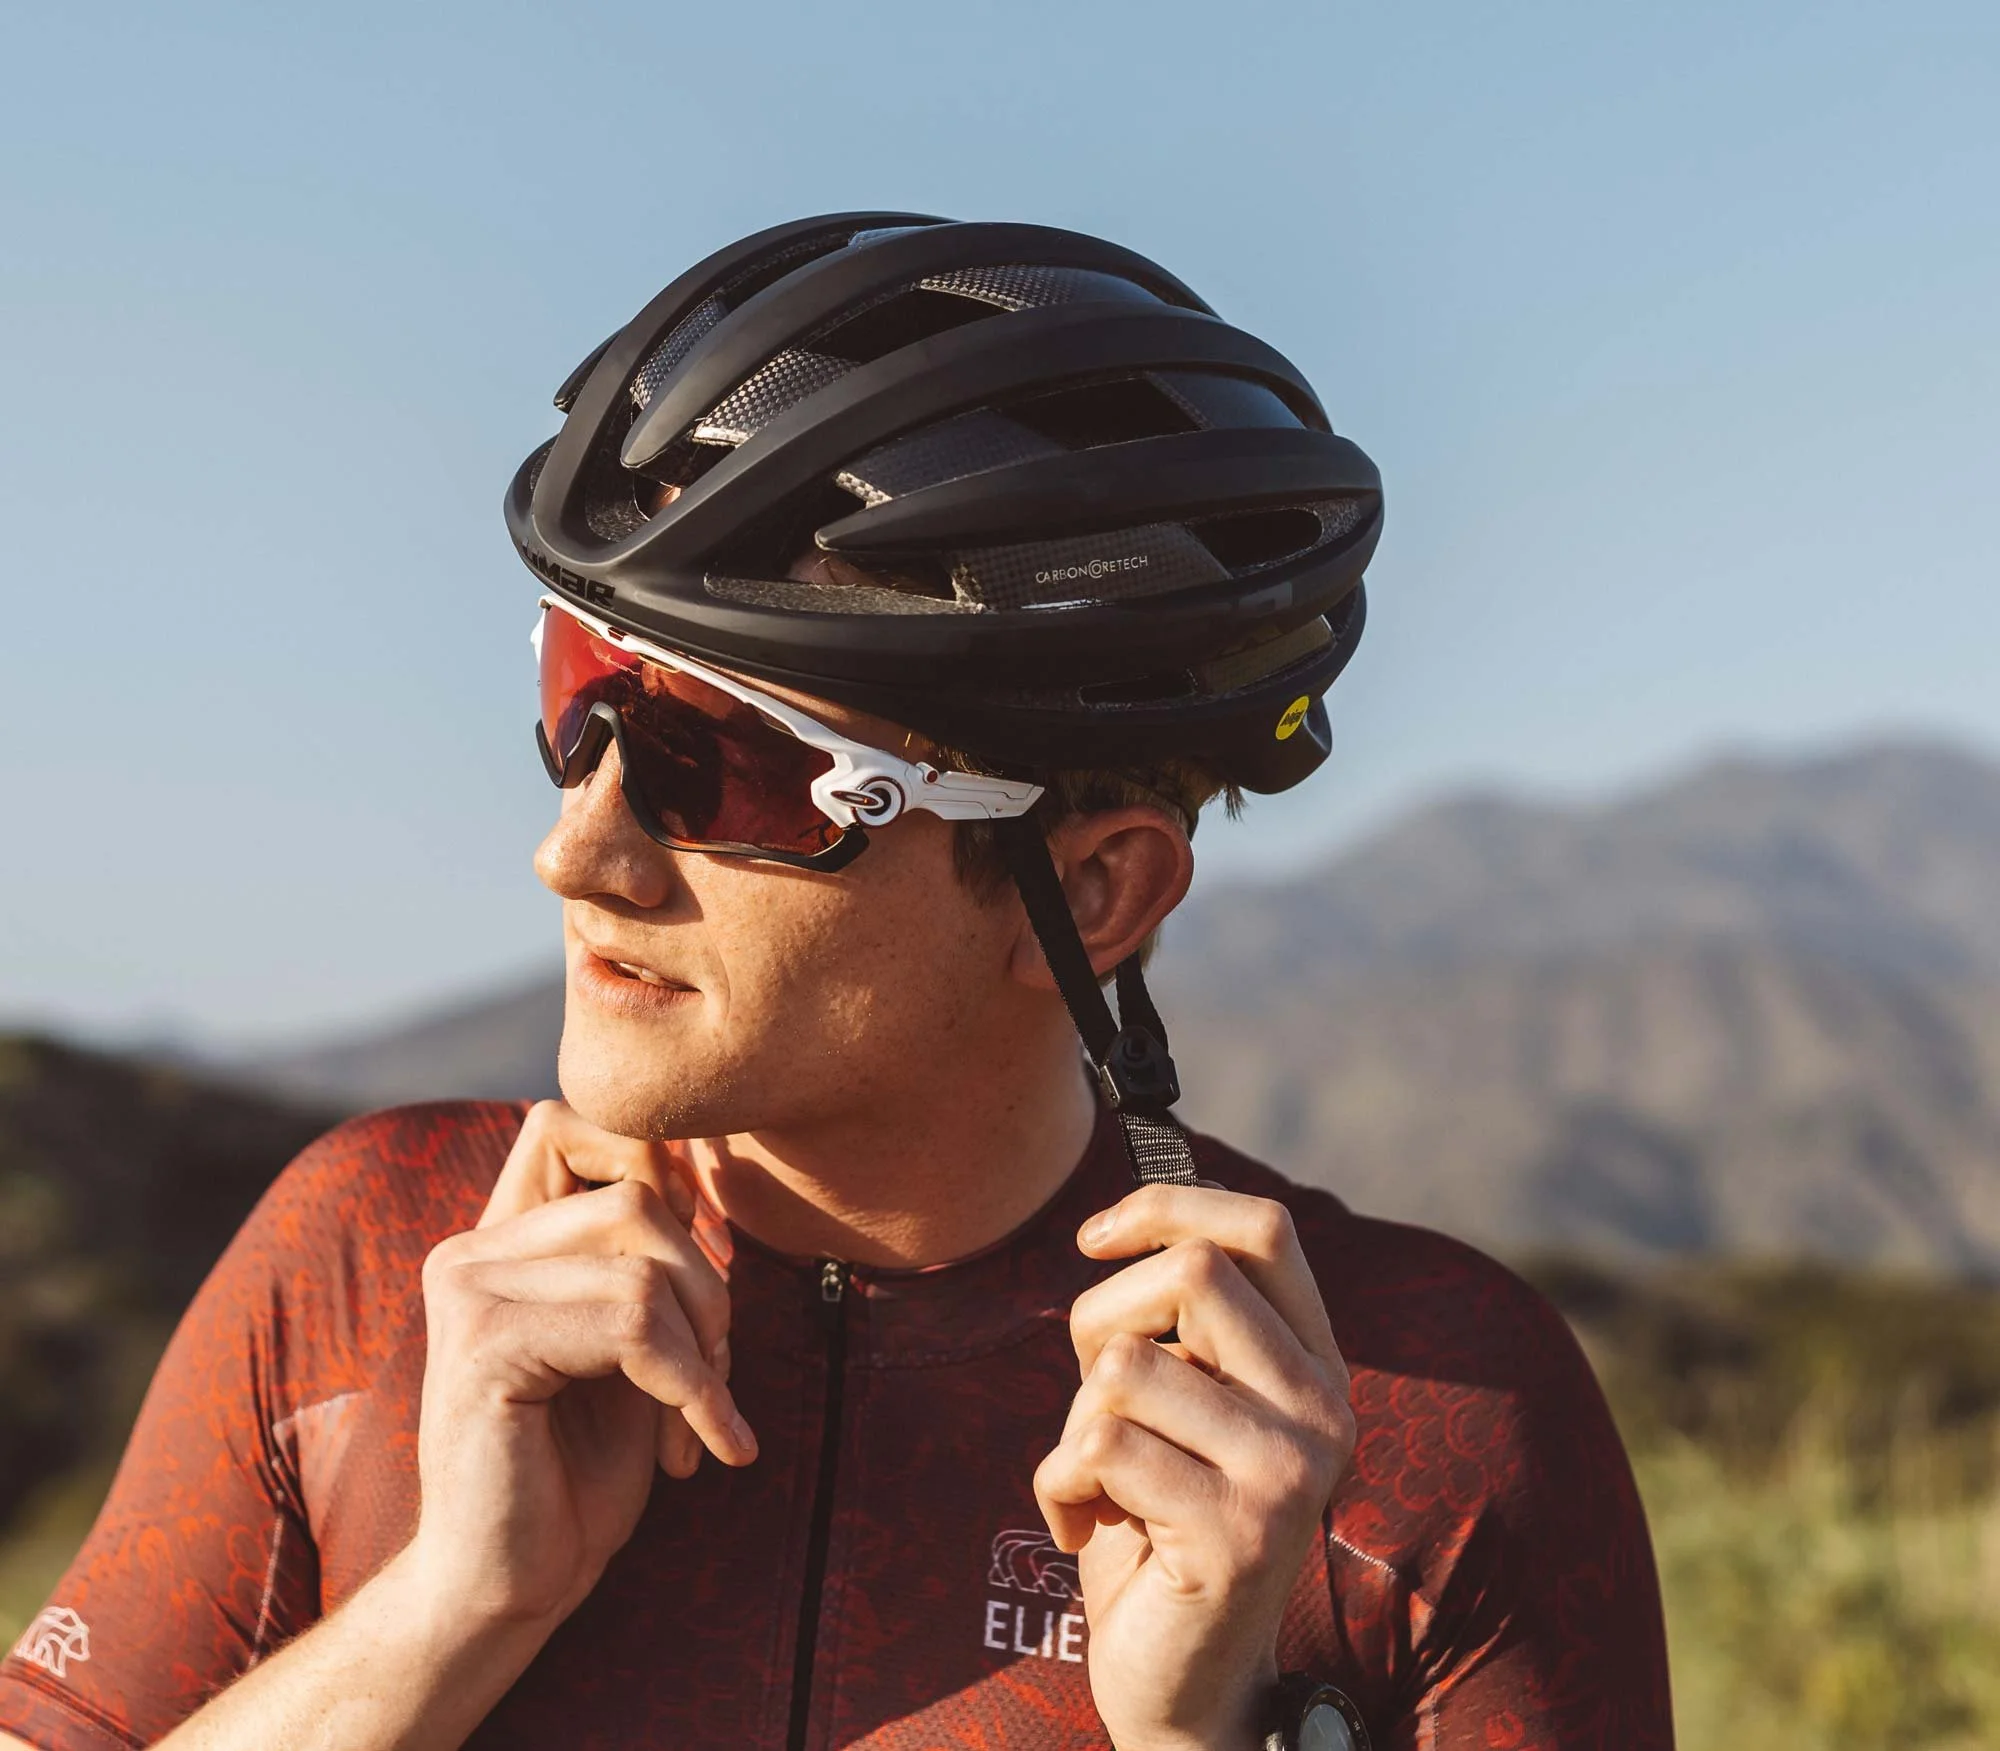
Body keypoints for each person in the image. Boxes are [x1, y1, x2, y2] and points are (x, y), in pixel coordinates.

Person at [0, 214, 1673, 1751]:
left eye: (722, 764)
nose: (578, 853)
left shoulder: (1424, 1416)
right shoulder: (374, 1254)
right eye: (584, 697)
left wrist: (1197, 1736)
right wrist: (443, 1613)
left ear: (1090, 891)